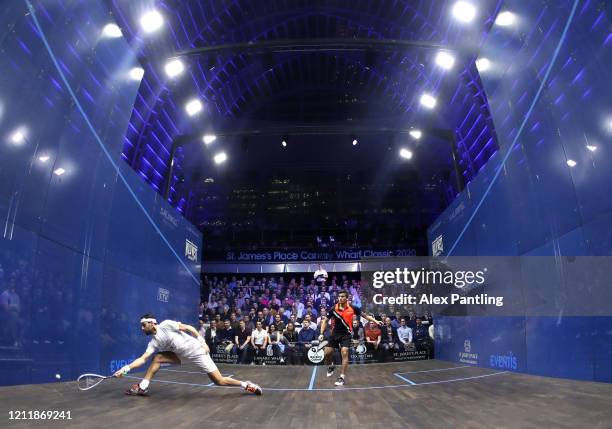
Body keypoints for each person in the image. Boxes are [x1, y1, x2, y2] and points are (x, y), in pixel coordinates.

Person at [114, 314, 261, 396]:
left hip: (198, 352)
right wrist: (125, 369)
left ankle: (247, 385)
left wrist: (202, 341)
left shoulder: (166, 324)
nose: (142, 328)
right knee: (157, 358)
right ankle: (143, 386)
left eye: (143, 324)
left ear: (152, 323)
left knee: (219, 381)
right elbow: (142, 359)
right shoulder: (153, 343)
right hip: (182, 357)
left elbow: (189, 328)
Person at [319, 290, 382, 386]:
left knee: (344, 352)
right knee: (327, 353)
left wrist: (376, 321)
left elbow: (365, 316)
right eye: (339, 296)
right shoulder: (333, 308)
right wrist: (321, 333)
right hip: (335, 333)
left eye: (343, 296)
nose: (340, 298)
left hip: (346, 334)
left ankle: (342, 377)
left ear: (347, 298)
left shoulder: (353, 308)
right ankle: (331, 365)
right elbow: (325, 321)